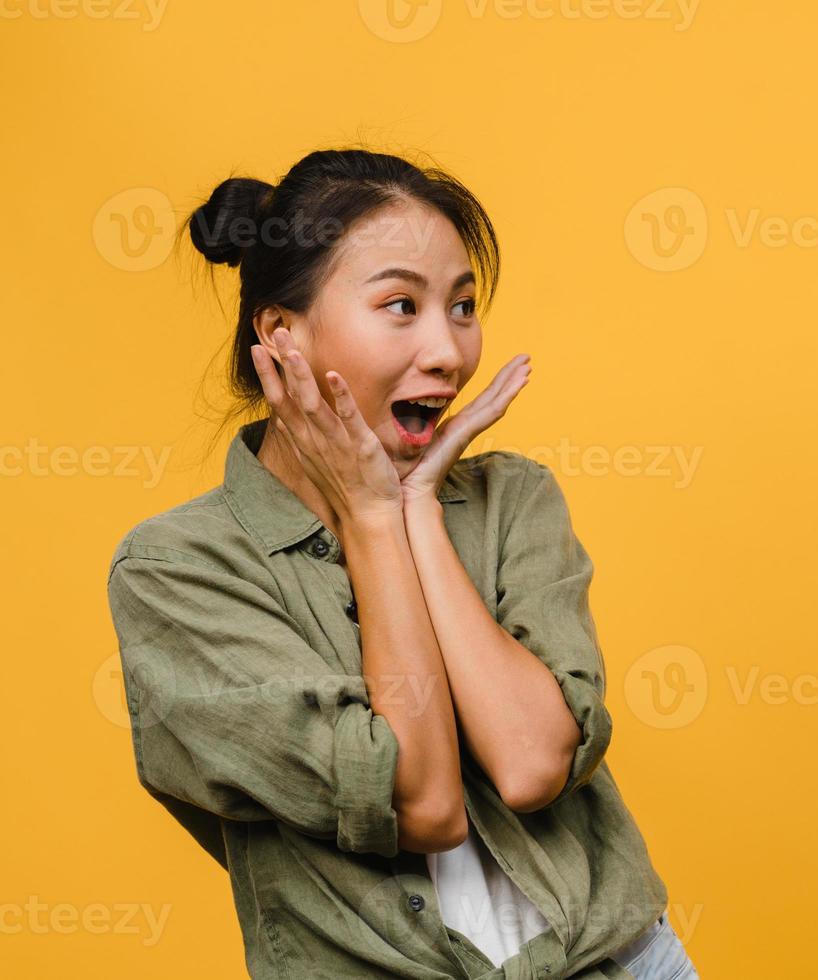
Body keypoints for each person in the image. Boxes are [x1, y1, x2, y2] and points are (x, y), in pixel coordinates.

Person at [105, 147, 700, 979]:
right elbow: (423, 804)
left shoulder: (512, 500)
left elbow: (532, 763)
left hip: (620, 963)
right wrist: (376, 517)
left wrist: (417, 505)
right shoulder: (179, 571)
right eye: (400, 305)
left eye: (461, 306)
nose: (449, 352)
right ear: (280, 335)